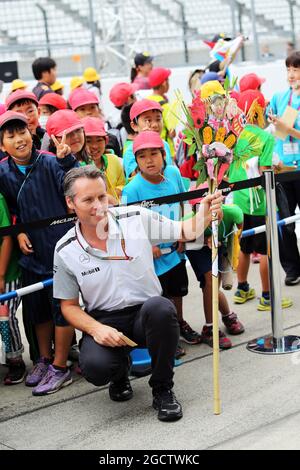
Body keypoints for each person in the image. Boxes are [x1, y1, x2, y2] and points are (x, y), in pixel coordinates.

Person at [53, 165, 223, 421]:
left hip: (147, 312)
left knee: (163, 309)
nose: (98, 206)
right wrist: (96, 329)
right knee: (96, 368)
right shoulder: (64, 249)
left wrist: (205, 213)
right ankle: (119, 373)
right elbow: (68, 306)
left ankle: (163, 389)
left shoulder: (135, 217)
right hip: (104, 319)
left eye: (101, 197)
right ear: (70, 203)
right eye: (88, 200)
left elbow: (185, 231)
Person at [0, 110, 79, 395]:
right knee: (37, 312)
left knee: (63, 309)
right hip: (31, 254)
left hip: (60, 251)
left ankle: (60, 366)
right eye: (10, 135)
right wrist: (18, 231)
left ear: (31, 134)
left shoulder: (50, 162)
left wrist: (68, 160)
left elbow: (76, 187)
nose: (19, 139)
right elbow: (9, 210)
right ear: (2, 145)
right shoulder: (2, 172)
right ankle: (44, 359)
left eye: (22, 132)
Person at [122, 131, 202, 354]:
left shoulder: (174, 174)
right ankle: (167, 335)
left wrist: (184, 235)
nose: (149, 160)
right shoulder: (132, 189)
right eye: (142, 156)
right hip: (151, 256)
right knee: (159, 296)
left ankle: (179, 324)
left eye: (154, 154)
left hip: (175, 248)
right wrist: (148, 245)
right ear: (136, 161)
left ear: (164, 155)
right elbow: (128, 225)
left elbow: (183, 203)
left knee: (177, 291)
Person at [229, 90, 292, 311]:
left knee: (244, 248)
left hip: (239, 201)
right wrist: (277, 169)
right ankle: (267, 296)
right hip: (260, 202)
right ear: (258, 111)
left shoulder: (235, 136)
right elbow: (265, 170)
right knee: (267, 250)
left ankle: (242, 288)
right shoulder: (265, 137)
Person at [185, 203, 245, 349]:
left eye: (214, 209)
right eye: (204, 210)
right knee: (210, 281)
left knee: (212, 286)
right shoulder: (188, 220)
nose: (210, 214)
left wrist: (229, 246)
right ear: (195, 210)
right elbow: (182, 238)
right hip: (196, 245)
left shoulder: (233, 211)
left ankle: (227, 315)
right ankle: (210, 328)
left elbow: (239, 230)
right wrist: (204, 239)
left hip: (219, 244)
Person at [267, 51, 300, 285]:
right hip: (283, 169)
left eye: (296, 69)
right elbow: (274, 131)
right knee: (285, 222)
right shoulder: (279, 97)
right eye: (288, 69)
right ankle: (292, 268)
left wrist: (287, 129)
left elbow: (287, 130)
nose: (291, 74)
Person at [0, 193, 25, 384]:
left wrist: (0, 274)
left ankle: (15, 360)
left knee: (5, 318)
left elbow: (7, 237)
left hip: (6, 273)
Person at [123, 99, 173, 179]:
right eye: (148, 120)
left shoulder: (165, 145)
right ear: (134, 126)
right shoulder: (130, 152)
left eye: (158, 119)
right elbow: (133, 177)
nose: (155, 125)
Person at [83, 116, 125, 202]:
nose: (94, 146)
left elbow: (122, 183)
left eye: (99, 140)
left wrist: (117, 191)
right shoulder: (79, 167)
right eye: (88, 141)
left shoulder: (113, 160)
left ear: (106, 141)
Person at [147, 67, 176, 156]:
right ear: (164, 83)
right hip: (166, 151)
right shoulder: (165, 106)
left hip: (151, 147)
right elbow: (172, 133)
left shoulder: (147, 100)